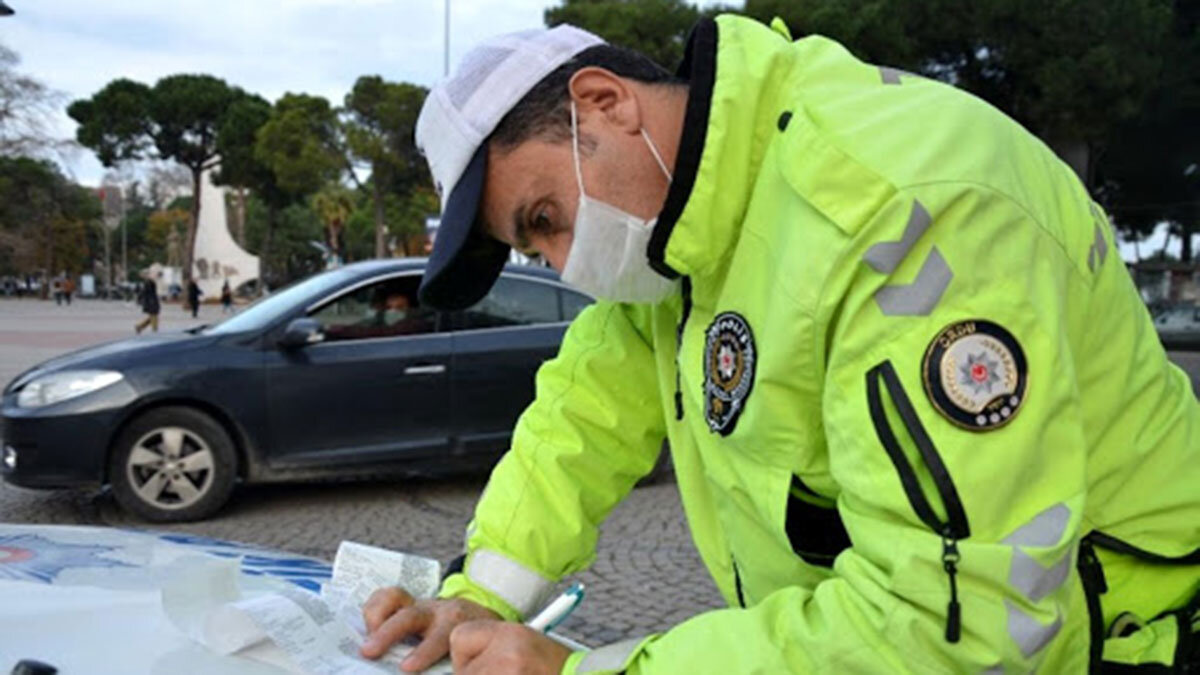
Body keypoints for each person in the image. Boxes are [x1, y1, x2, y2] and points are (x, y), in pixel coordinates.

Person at [360, 17, 1200, 674]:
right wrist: (479, 600)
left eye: (544, 219)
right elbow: (578, 427)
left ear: (605, 103)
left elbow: (960, 623)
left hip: (1122, 637)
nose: (559, 262)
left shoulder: (895, 209)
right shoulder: (680, 235)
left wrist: (593, 667)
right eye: (531, 247)